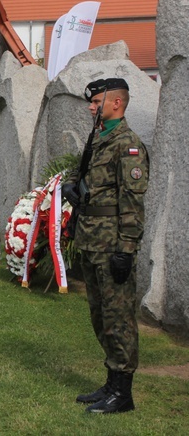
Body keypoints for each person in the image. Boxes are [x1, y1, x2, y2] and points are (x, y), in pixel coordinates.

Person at [62, 78, 149, 414]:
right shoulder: (99, 140)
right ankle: (111, 382)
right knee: (100, 315)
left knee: (120, 318)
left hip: (113, 243)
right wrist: (74, 186)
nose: (91, 106)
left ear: (116, 103)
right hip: (92, 239)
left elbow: (132, 203)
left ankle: (123, 393)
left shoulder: (127, 144)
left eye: (96, 101)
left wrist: (126, 249)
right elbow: (89, 180)